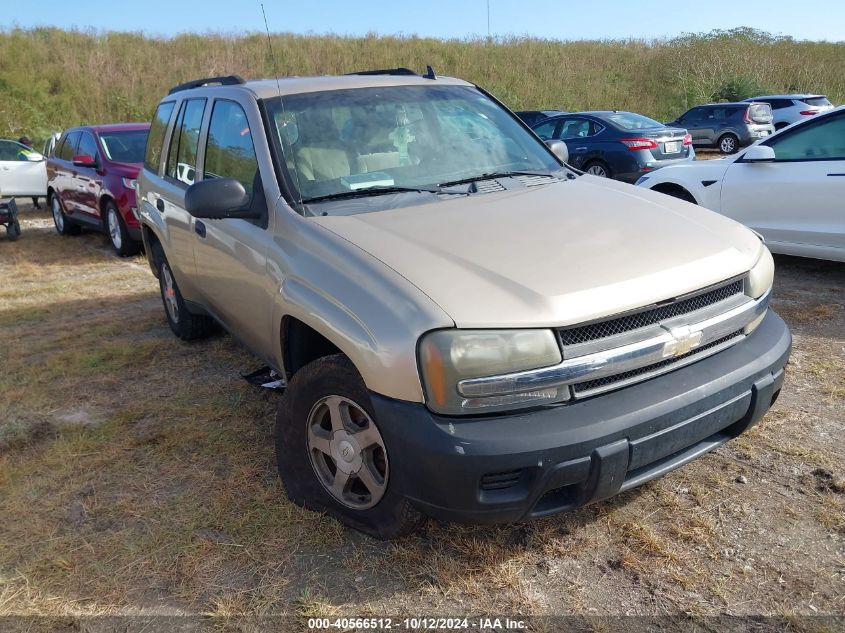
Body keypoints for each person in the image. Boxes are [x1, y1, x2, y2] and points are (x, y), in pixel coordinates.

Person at [17, 136, 42, 209]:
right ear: (21, 144)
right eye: (25, 143)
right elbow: (25, 161)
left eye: (28, 142)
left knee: (36, 187)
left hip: (35, 169)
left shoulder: (30, 150)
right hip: (28, 170)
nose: (28, 144)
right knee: (34, 188)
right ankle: (36, 204)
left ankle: (36, 204)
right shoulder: (21, 152)